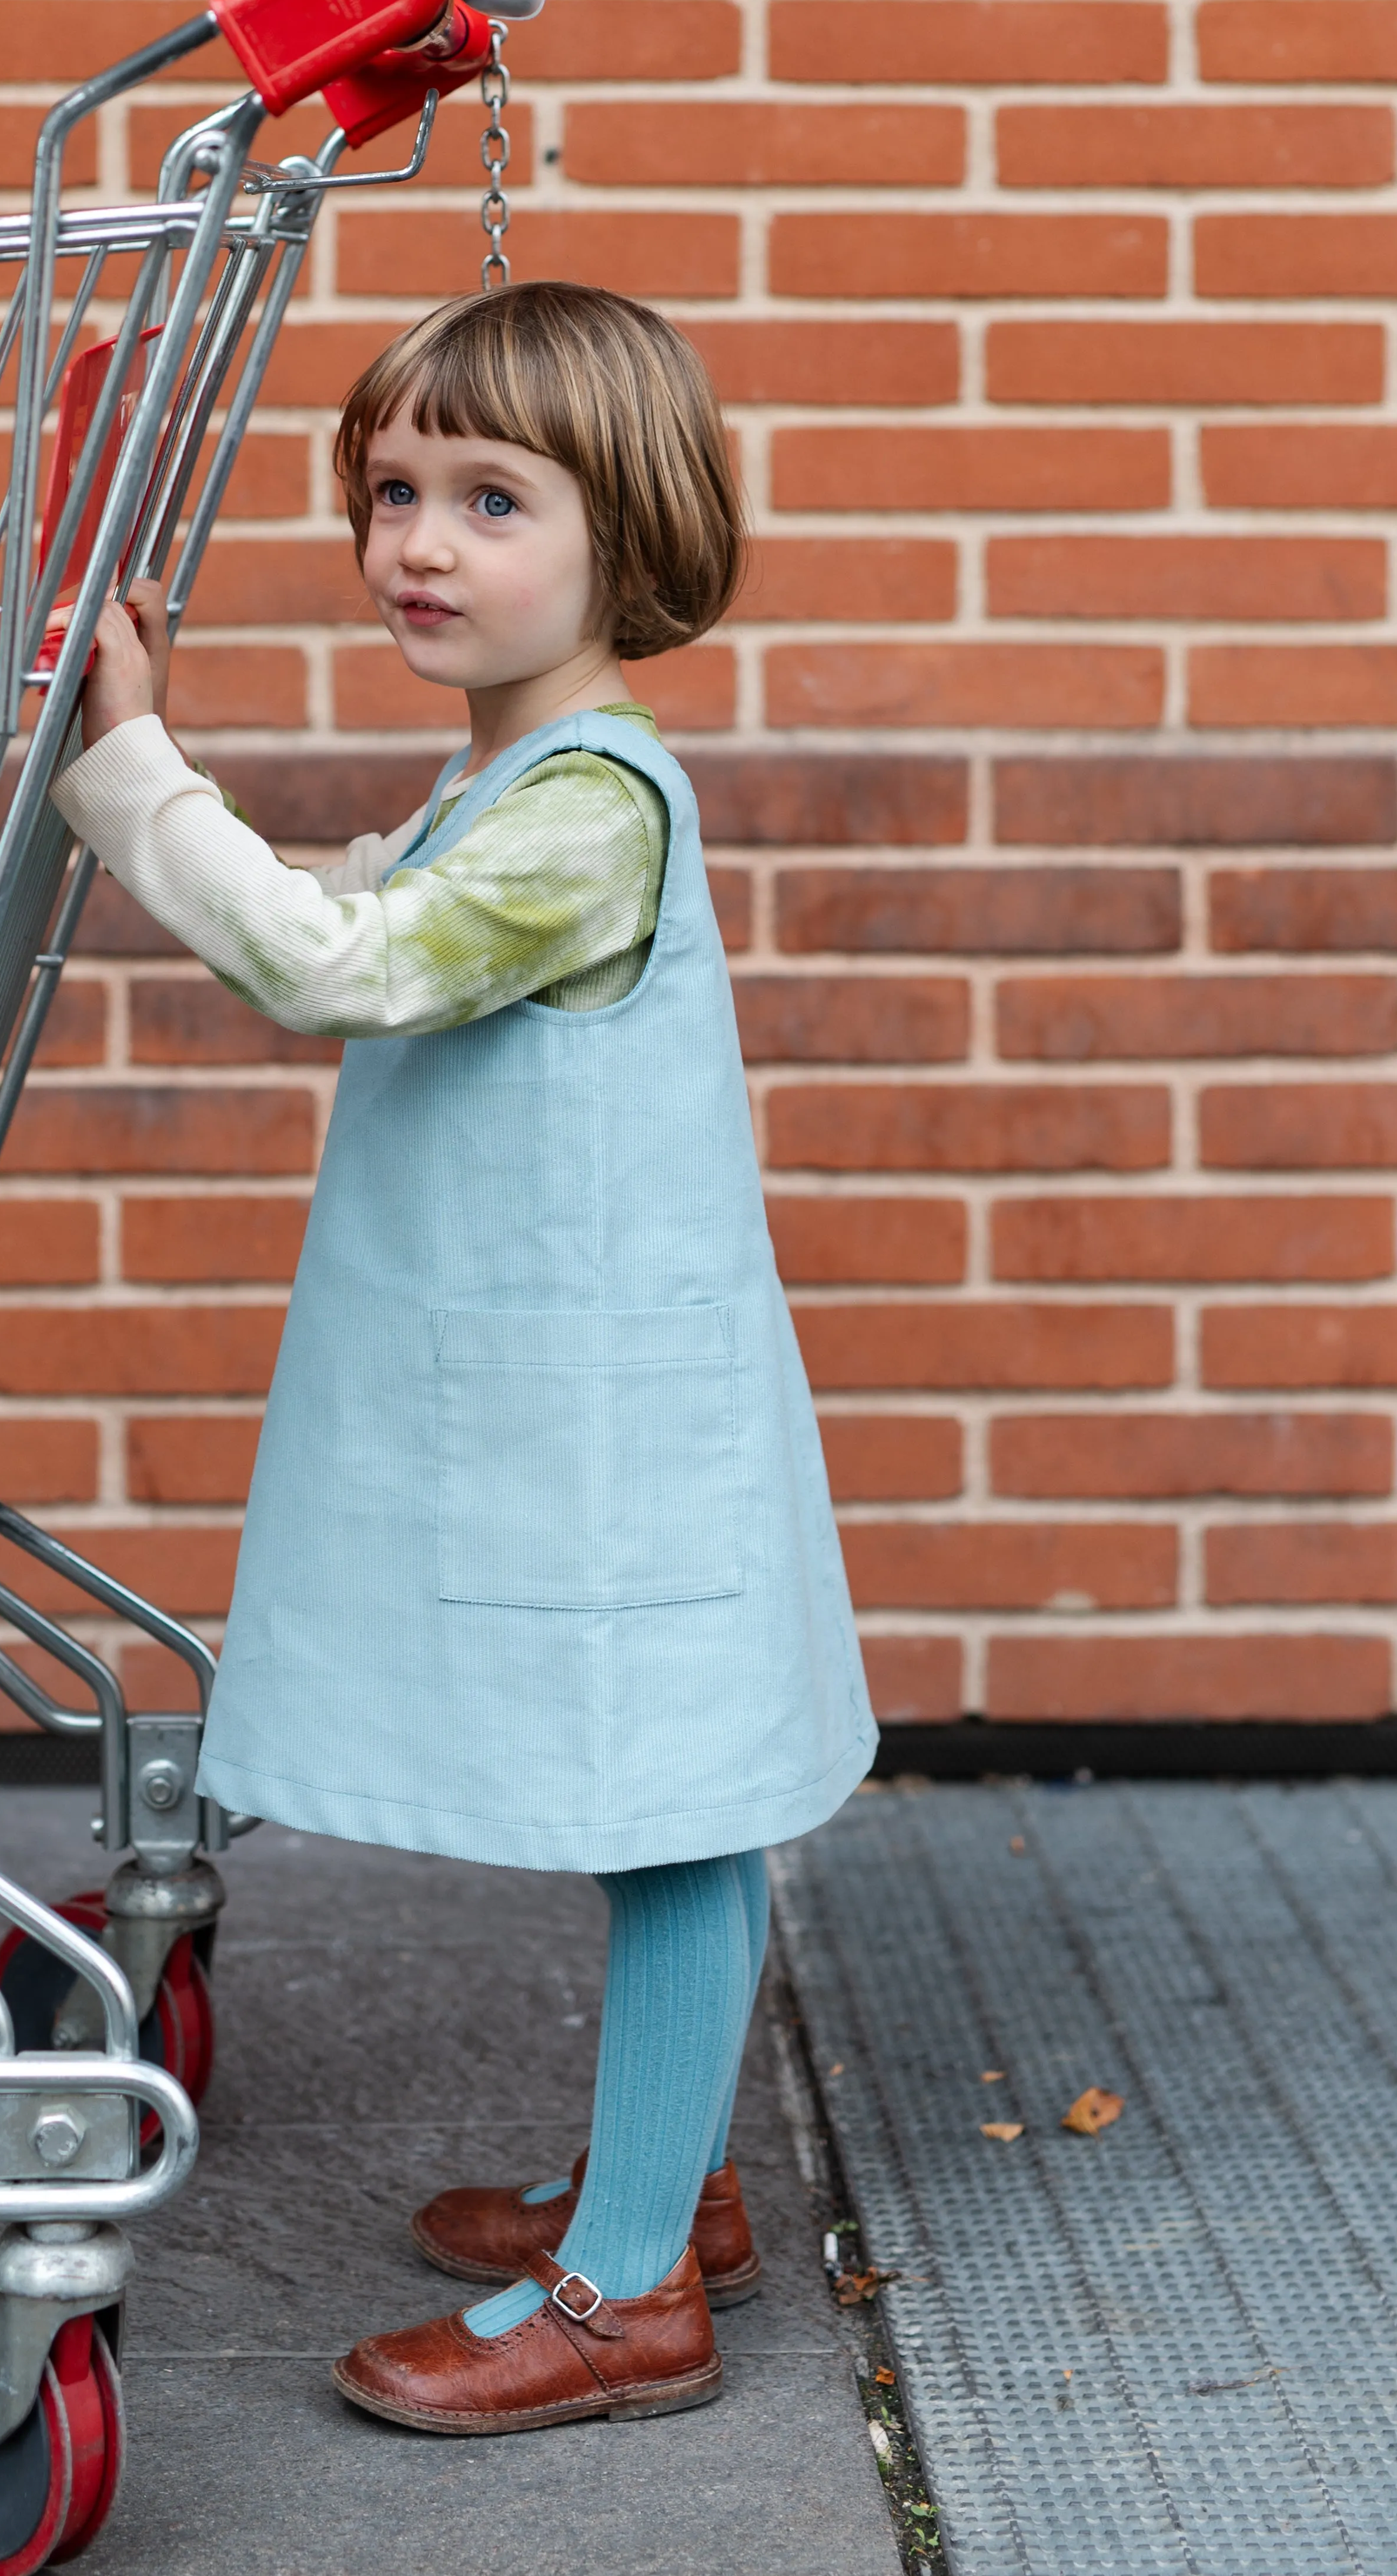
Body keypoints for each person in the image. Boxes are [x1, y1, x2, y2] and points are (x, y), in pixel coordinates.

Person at [55, 277, 874, 2435]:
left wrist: (138, 773)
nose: (421, 539)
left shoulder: (588, 805)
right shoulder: (513, 774)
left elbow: (345, 963)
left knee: (675, 1795)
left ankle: (629, 2300)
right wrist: (183, 800)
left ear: (632, 529)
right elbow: (370, 892)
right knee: (656, 1774)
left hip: (612, 1420)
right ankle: (663, 2186)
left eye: (492, 497)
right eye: (393, 487)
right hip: (583, 1401)